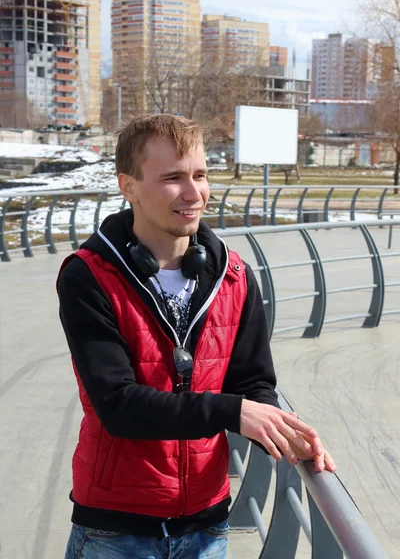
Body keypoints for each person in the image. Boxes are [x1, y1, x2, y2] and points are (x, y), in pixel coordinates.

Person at [57, 114, 335, 559]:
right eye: (173, 178)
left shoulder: (234, 276)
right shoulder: (88, 277)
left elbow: (253, 383)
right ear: (128, 187)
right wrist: (233, 411)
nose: (194, 193)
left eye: (201, 174)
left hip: (208, 525)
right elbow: (118, 406)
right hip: (115, 530)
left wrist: (286, 432)